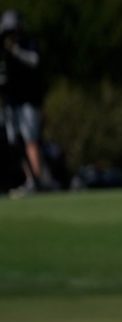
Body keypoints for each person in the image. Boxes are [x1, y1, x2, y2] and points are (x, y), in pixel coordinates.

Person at [0, 9, 46, 196]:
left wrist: (15, 51)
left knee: (30, 140)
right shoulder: (2, 49)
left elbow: (35, 62)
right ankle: (28, 179)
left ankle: (36, 180)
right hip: (11, 102)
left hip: (28, 100)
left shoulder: (28, 44)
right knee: (16, 143)